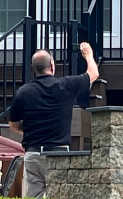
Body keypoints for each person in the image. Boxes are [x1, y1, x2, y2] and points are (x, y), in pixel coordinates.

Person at [8, 42, 99, 198]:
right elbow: (93, 73)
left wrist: (29, 128)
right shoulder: (65, 85)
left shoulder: (23, 92)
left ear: (34, 68)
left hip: (33, 153)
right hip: (59, 153)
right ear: (52, 65)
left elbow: (13, 125)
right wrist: (88, 55)